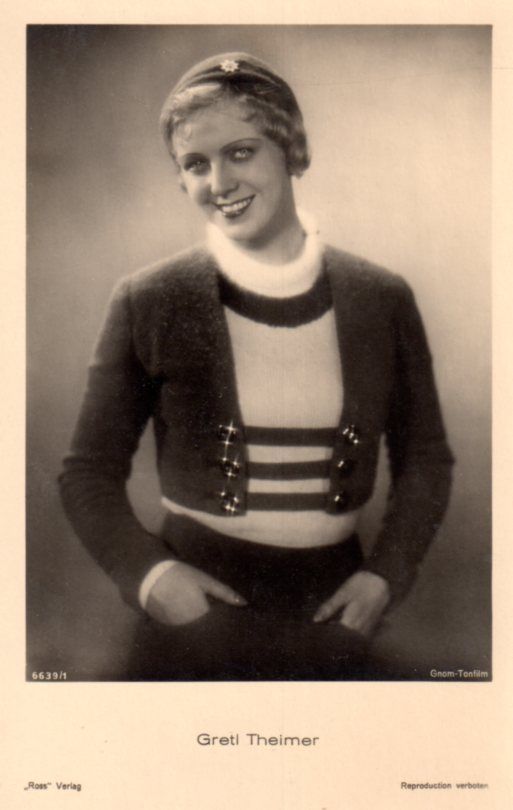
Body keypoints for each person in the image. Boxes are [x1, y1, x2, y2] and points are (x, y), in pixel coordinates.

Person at [59, 52, 454, 680]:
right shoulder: (150, 298)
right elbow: (86, 473)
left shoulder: (381, 298)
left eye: (241, 152)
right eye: (196, 164)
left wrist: (385, 575)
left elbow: (426, 457)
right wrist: (151, 578)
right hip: (193, 611)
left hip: (335, 607)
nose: (219, 182)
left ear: (290, 150)